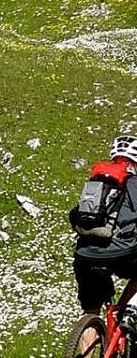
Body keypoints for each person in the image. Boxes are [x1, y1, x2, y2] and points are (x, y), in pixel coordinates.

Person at [72, 133, 137, 320]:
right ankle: (124, 314)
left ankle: (84, 346)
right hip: (122, 252)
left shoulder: (97, 184)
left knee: (91, 312)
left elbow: (74, 215)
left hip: (85, 255)